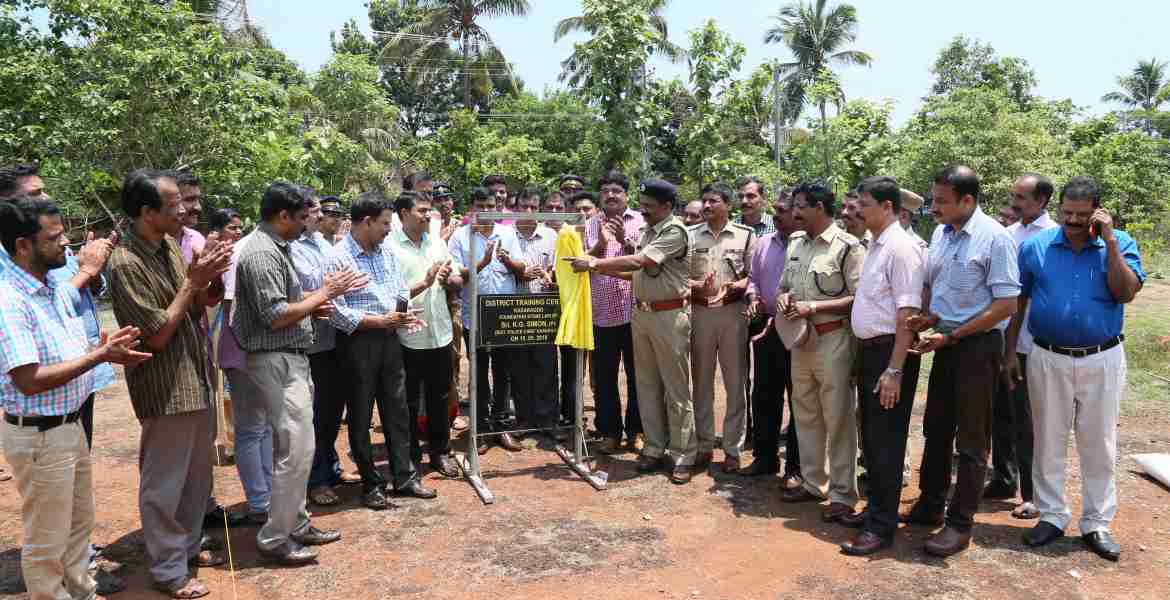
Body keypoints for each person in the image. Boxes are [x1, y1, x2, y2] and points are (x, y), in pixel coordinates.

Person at [0, 198, 149, 600]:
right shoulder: (9, 301)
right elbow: (29, 380)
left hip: (67, 428)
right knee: (47, 540)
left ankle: (81, 592)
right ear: (23, 245)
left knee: (79, 524)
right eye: (55, 237)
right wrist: (99, 355)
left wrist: (104, 345)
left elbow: (70, 340)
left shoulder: (51, 290)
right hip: (41, 437)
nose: (66, 243)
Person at [106, 169, 234, 595]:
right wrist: (192, 283)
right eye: (174, 204)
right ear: (147, 212)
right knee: (164, 483)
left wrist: (207, 278)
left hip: (195, 376)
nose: (185, 210)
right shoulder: (125, 263)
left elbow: (196, 305)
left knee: (198, 477)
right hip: (165, 387)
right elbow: (157, 333)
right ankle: (167, 570)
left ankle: (188, 544)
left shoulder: (168, 246)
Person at [1010, 177, 1144, 562]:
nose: (1071, 221)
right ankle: (1051, 516)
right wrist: (1008, 355)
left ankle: (1097, 522)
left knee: (1098, 441)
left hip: (1102, 357)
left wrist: (1111, 242)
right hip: (1047, 355)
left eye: (1081, 216)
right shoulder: (1036, 246)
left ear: (1097, 214)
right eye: (1067, 212)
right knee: (1048, 438)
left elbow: (1126, 292)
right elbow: (1019, 301)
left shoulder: (1120, 243)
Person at [231, 182, 357, 564]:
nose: (308, 224)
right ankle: (275, 538)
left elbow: (284, 306)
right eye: (302, 217)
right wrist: (324, 294)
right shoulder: (261, 253)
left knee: (301, 446)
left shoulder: (276, 246)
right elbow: (273, 316)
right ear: (282, 216)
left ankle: (296, 522)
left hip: (289, 355)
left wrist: (310, 303)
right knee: (295, 450)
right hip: (275, 358)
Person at [900, 165, 1020, 558]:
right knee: (936, 428)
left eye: (940, 201)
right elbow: (943, 289)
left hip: (976, 348)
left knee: (970, 440)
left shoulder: (996, 239)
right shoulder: (942, 233)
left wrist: (951, 334)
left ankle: (959, 523)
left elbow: (1005, 304)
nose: (933, 207)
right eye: (933, 199)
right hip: (945, 342)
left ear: (968, 201)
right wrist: (930, 317)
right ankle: (931, 503)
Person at [568, 179, 697, 485]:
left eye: (650, 207)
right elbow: (634, 272)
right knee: (647, 384)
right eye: (644, 205)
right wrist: (596, 267)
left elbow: (642, 260)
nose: (645, 211)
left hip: (669, 315)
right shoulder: (651, 230)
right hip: (643, 314)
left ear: (667, 207)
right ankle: (653, 447)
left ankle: (682, 454)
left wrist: (596, 261)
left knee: (676, 390)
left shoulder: (674, 231)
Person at [325, 192, 436, 509]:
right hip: (358, 342)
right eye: (385, 223)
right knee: (360, 415)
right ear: (366, 221)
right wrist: (377, 321)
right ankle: (371, 484)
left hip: (389, 340)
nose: (390, 229)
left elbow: (399, 289)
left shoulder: (386, 253)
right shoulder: (338, 257)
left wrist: (403, 315)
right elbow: (335, 311)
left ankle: (405, 477)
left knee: (397, 410)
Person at [838, 177, 927, 556]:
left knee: (887, 440)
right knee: (873, 439)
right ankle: (877, 510)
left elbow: (907, 313)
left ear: (888, 207)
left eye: (866, 203)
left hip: (889, 352)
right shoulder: (877, 243)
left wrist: (894, 370)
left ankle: (882, 527)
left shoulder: (901, 248)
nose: (859, 209)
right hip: (871, 350)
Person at [775, 180, 863, 526]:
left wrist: (814, 306)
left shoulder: (848, 247)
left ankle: (843, 495)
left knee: (838, 418)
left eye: (800, 205)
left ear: (820, 208)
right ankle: (814, 483)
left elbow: (858, 298)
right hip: (800, 343)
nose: (794, 212)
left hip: (833, 341)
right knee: (806, 413)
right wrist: (783, 297)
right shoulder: (796, 242)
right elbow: (785, 285)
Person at [986, 173, 1059, 520]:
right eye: (1013, 194)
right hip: (999, 335)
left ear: (1042, 201)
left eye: (1022, 197)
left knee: (1026, 419)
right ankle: (1003, 478)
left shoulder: (1053, 237)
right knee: (999, 411)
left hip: (1029, 342)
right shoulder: (1008, 235)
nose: (1014, 202)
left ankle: (1031, 493)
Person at [387, 191, 463, 477]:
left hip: (439, 331)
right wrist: (426, 281)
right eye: (421, 210)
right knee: (407, 399)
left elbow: (454, 277)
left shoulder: (437, 243)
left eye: (429, 211)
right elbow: (390, 295)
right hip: (407, 335)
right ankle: (410, 457)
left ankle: (440, 452)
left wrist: (449, 279)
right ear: (403, 214)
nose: (428, 215)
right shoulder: (391, 248)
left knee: (440, 395)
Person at [449, 187, 528, 453]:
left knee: (503, 372)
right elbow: (457, 277)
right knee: (478, 374)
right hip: (475, 314)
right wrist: (482, 262)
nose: (486, 209)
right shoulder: (460, 237)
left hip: (504, 313)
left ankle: (502, 426)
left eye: (491, 204)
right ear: (472, 206)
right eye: (481, 204)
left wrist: (507, 261)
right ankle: (481, 429)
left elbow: (522, 268)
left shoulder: (507, 233)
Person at [688, 183, 755, 473]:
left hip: (733, 314)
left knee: (735, 383)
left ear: (727, 205)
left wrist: (735, 287)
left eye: (713, 201)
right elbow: (679, 275)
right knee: (701, 382)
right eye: (704, 201)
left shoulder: (746, 235)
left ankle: (732, 449)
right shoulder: (690, 236)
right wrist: (697, 288)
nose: (706, 206)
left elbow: (754, 277)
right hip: (699, 314)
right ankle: (704, 445)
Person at [289, 191, 350, 507]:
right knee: (313, 416)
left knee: (331, 413)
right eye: (313, 210)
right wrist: (334, 281)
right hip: (311, 344)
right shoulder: (293, 248)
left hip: (333, 336)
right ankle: (315, 481)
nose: (319, 215)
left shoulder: (323, 244)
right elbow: (310, 284)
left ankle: (332, 468)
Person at [743, 191, 802, 488]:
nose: (776, 215)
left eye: (783, 210)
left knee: (798, 397)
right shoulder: (764, 242)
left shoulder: (805, 245)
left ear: (798, 212)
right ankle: (765, 458)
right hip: (764, 327)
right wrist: (752, 296)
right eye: (775, 210)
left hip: (795, 329)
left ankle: (795, 467)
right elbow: (753, 277)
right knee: (764, 393)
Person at [584, 170, 644, 454]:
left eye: (616, 191)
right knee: (605, 377)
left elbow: (646, 262)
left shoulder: (643, 222)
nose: (610, 195)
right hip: (602, 313)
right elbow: (583, 262)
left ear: (626, 195)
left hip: (637, 313)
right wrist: (602, 242)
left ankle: (637, 431)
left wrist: (625, 240)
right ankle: (609, 432)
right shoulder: (588, 225)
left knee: (638, 375)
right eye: (606, 190)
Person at [512, 188, 562, 436]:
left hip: (543, 310)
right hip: (512, 311)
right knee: (519, 367)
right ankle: (523, 419)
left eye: (534, 206)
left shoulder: (551, 236)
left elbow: (554, 270)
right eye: (524, 206)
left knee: (546, 365)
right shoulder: (506, 235)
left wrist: (550, 278)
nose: (529, 211)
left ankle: (547, 419)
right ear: (516, 206)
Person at [175, 171, 206, 264]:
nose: (198, 207)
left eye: (198, 199)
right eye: (189, 200)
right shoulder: (154, 242)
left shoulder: (197, 239)